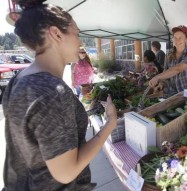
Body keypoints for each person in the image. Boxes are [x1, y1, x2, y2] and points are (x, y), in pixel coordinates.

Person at [2, 0, 117, 190]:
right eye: (77, 34)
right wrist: (110, 123)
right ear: (56, 34)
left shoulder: (19, 80)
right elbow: (66, 172)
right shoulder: (52, 91)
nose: (80, 42)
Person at [149, 25, 187, 97]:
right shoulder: (168, 54)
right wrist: (162, 84)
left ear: (186, 39)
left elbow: (178, 68)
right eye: (175, 38)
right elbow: (166, 73)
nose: (177, 40)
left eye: (180, 38)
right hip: (175, 94)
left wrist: (157, 77)